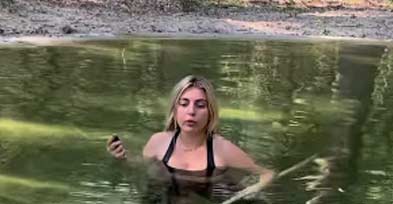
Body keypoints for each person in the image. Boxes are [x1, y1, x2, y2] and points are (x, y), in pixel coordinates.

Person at [106, 75, 274, 191]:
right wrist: (121, 158)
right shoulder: (158, 142)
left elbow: (267, 173)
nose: (191, 111)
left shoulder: (223, 150)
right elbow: (141, 168)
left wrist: (251, 191)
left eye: (200, 105)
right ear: (175, 109)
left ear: (210, 111)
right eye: (184, 104)